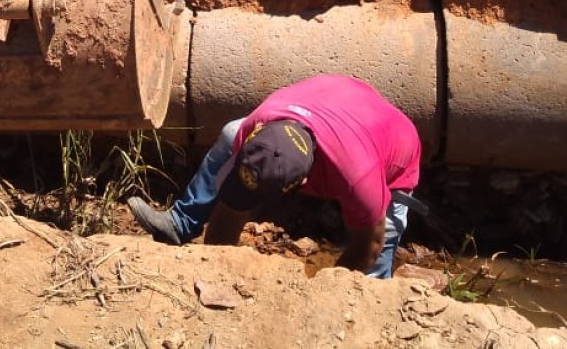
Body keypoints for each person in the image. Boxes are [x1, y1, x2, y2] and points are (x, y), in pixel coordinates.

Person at [127, 74, 421, 279]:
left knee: (373, 267)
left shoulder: (360, 179)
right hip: (337, 96)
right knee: (231, 131)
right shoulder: (259, 125)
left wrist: (327, 294)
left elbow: (367, 245)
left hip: (393, 146)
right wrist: (216, 269)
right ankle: (180, 223)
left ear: (304, 185)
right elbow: (230, 212)